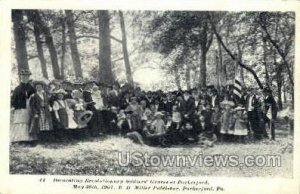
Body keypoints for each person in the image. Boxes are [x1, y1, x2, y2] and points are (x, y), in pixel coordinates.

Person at [10, 69, 37, 145]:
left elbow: (35, 98)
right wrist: (15, 106)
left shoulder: (31, 88)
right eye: (23, 76)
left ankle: (30, 138)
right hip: (20, 108)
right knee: (20, 122)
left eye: (26, 76)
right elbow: (13, 99)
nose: (25, 78)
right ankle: (20, 138)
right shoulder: (17, 88)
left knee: (29, 121)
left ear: (28, 77)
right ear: (21, 77)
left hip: (29, 108)